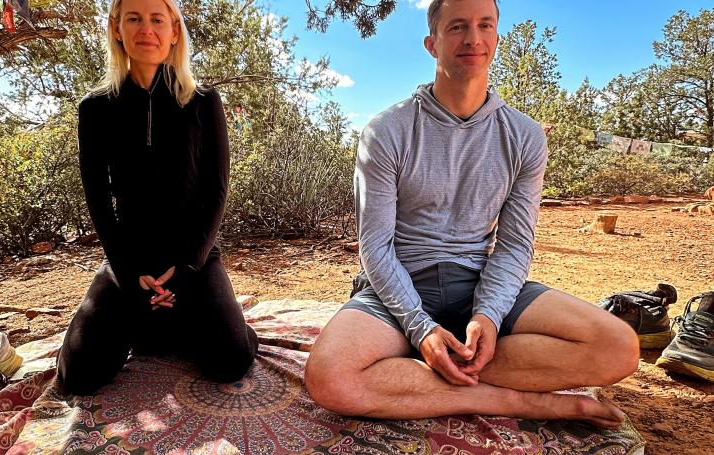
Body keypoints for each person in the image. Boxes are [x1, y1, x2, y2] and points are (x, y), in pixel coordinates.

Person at [304, 0, 639, 428]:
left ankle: (412, 368)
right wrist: (419, 327)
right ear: (432, 43)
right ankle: (522, 402)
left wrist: (488, 315)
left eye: (485, 25)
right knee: (329, 377)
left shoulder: (525, 136)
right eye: (457, 27)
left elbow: (516, 243)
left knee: (617, 347)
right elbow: (376, 246)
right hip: (399, 286)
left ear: (497, 38)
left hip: (479, 281)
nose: (473, 38)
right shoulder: (387, 131)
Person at [57, 0, 258, 395]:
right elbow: (98, 198)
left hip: (193, 260)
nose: (145, 29)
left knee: (231, 362)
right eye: (134, 18)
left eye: (157, 20)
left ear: (174, 32)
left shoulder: (203, 102)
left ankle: (213, 319)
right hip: (128, 263)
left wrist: (187, 267)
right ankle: (156, 323)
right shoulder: (95, 108)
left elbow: (216, 191)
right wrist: (127, 269)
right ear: (117, 28)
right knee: (78, 376)